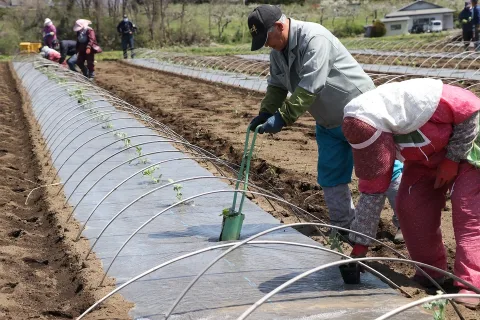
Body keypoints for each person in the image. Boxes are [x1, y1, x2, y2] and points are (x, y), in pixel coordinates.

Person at [246, 5, 405, 242]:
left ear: (279, 26)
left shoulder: (314, 38)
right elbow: (277, 85)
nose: (267, 44)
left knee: (384, 168)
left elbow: (311, 85)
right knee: (331, 174)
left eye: (266, 38)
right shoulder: (277, 53)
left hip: (361, 114)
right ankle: (344, 227)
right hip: (328, 121)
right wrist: (265, 112)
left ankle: (406, 222)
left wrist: (283, 117)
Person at [342, 78, 480, 309]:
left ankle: (472, 282)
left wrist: (452, 159)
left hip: (469, 148)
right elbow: (373, 192)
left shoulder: (418, 101)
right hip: (425, 158)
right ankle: (431, 272)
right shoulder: (365, 122)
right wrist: (359, 247)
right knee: (410, 206)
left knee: (467, 211)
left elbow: (469, 108)